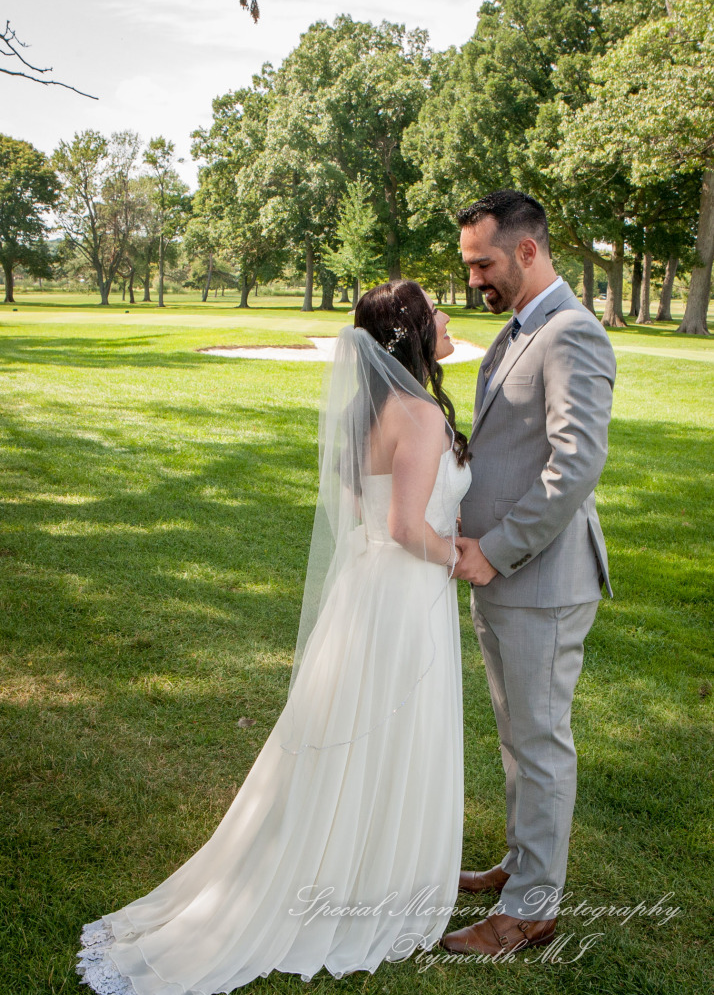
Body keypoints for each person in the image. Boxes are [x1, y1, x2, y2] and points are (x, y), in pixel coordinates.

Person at [77, 280, 472, 994]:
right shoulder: (417, 414)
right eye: (436, 310)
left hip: (369, 590)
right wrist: (461, 557)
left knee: (358, 736)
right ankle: (369, 880)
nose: (447, 317)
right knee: (390, 734)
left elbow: (363, 509)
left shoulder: (369, 410)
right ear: (412, 335)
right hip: (405, 590)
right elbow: (405, 527)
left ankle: (354, 858)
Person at [442, 190, 616, 957]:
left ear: (526, 250)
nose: (474, 277)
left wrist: (495, 546)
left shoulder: (572, 333)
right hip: (501, 578)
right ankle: (520, 863)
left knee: (541, 741)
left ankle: (533, 909)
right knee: (517, 736)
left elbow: (574, 465)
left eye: (482, 261)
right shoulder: (521, 328)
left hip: (539, 577)